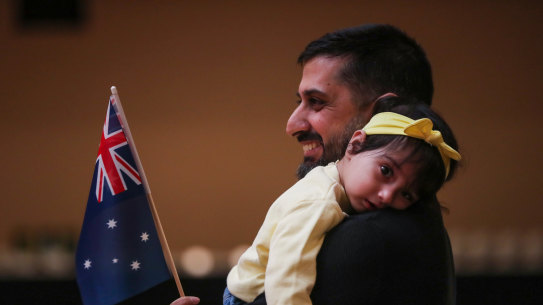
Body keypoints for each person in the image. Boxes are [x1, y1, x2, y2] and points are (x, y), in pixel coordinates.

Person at [172, 24, 456, 305]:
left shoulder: (371, 238)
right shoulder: (396, 219)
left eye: (317, 102)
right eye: (301, 101)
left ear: (383, 113)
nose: (292, 125)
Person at [223, 100, 460, 305]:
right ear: (355, 145)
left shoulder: (336, 182)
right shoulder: (318, 202)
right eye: (386, 171)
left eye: (406, 194)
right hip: (250, 296)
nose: (388, 196)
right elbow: (287, 278)